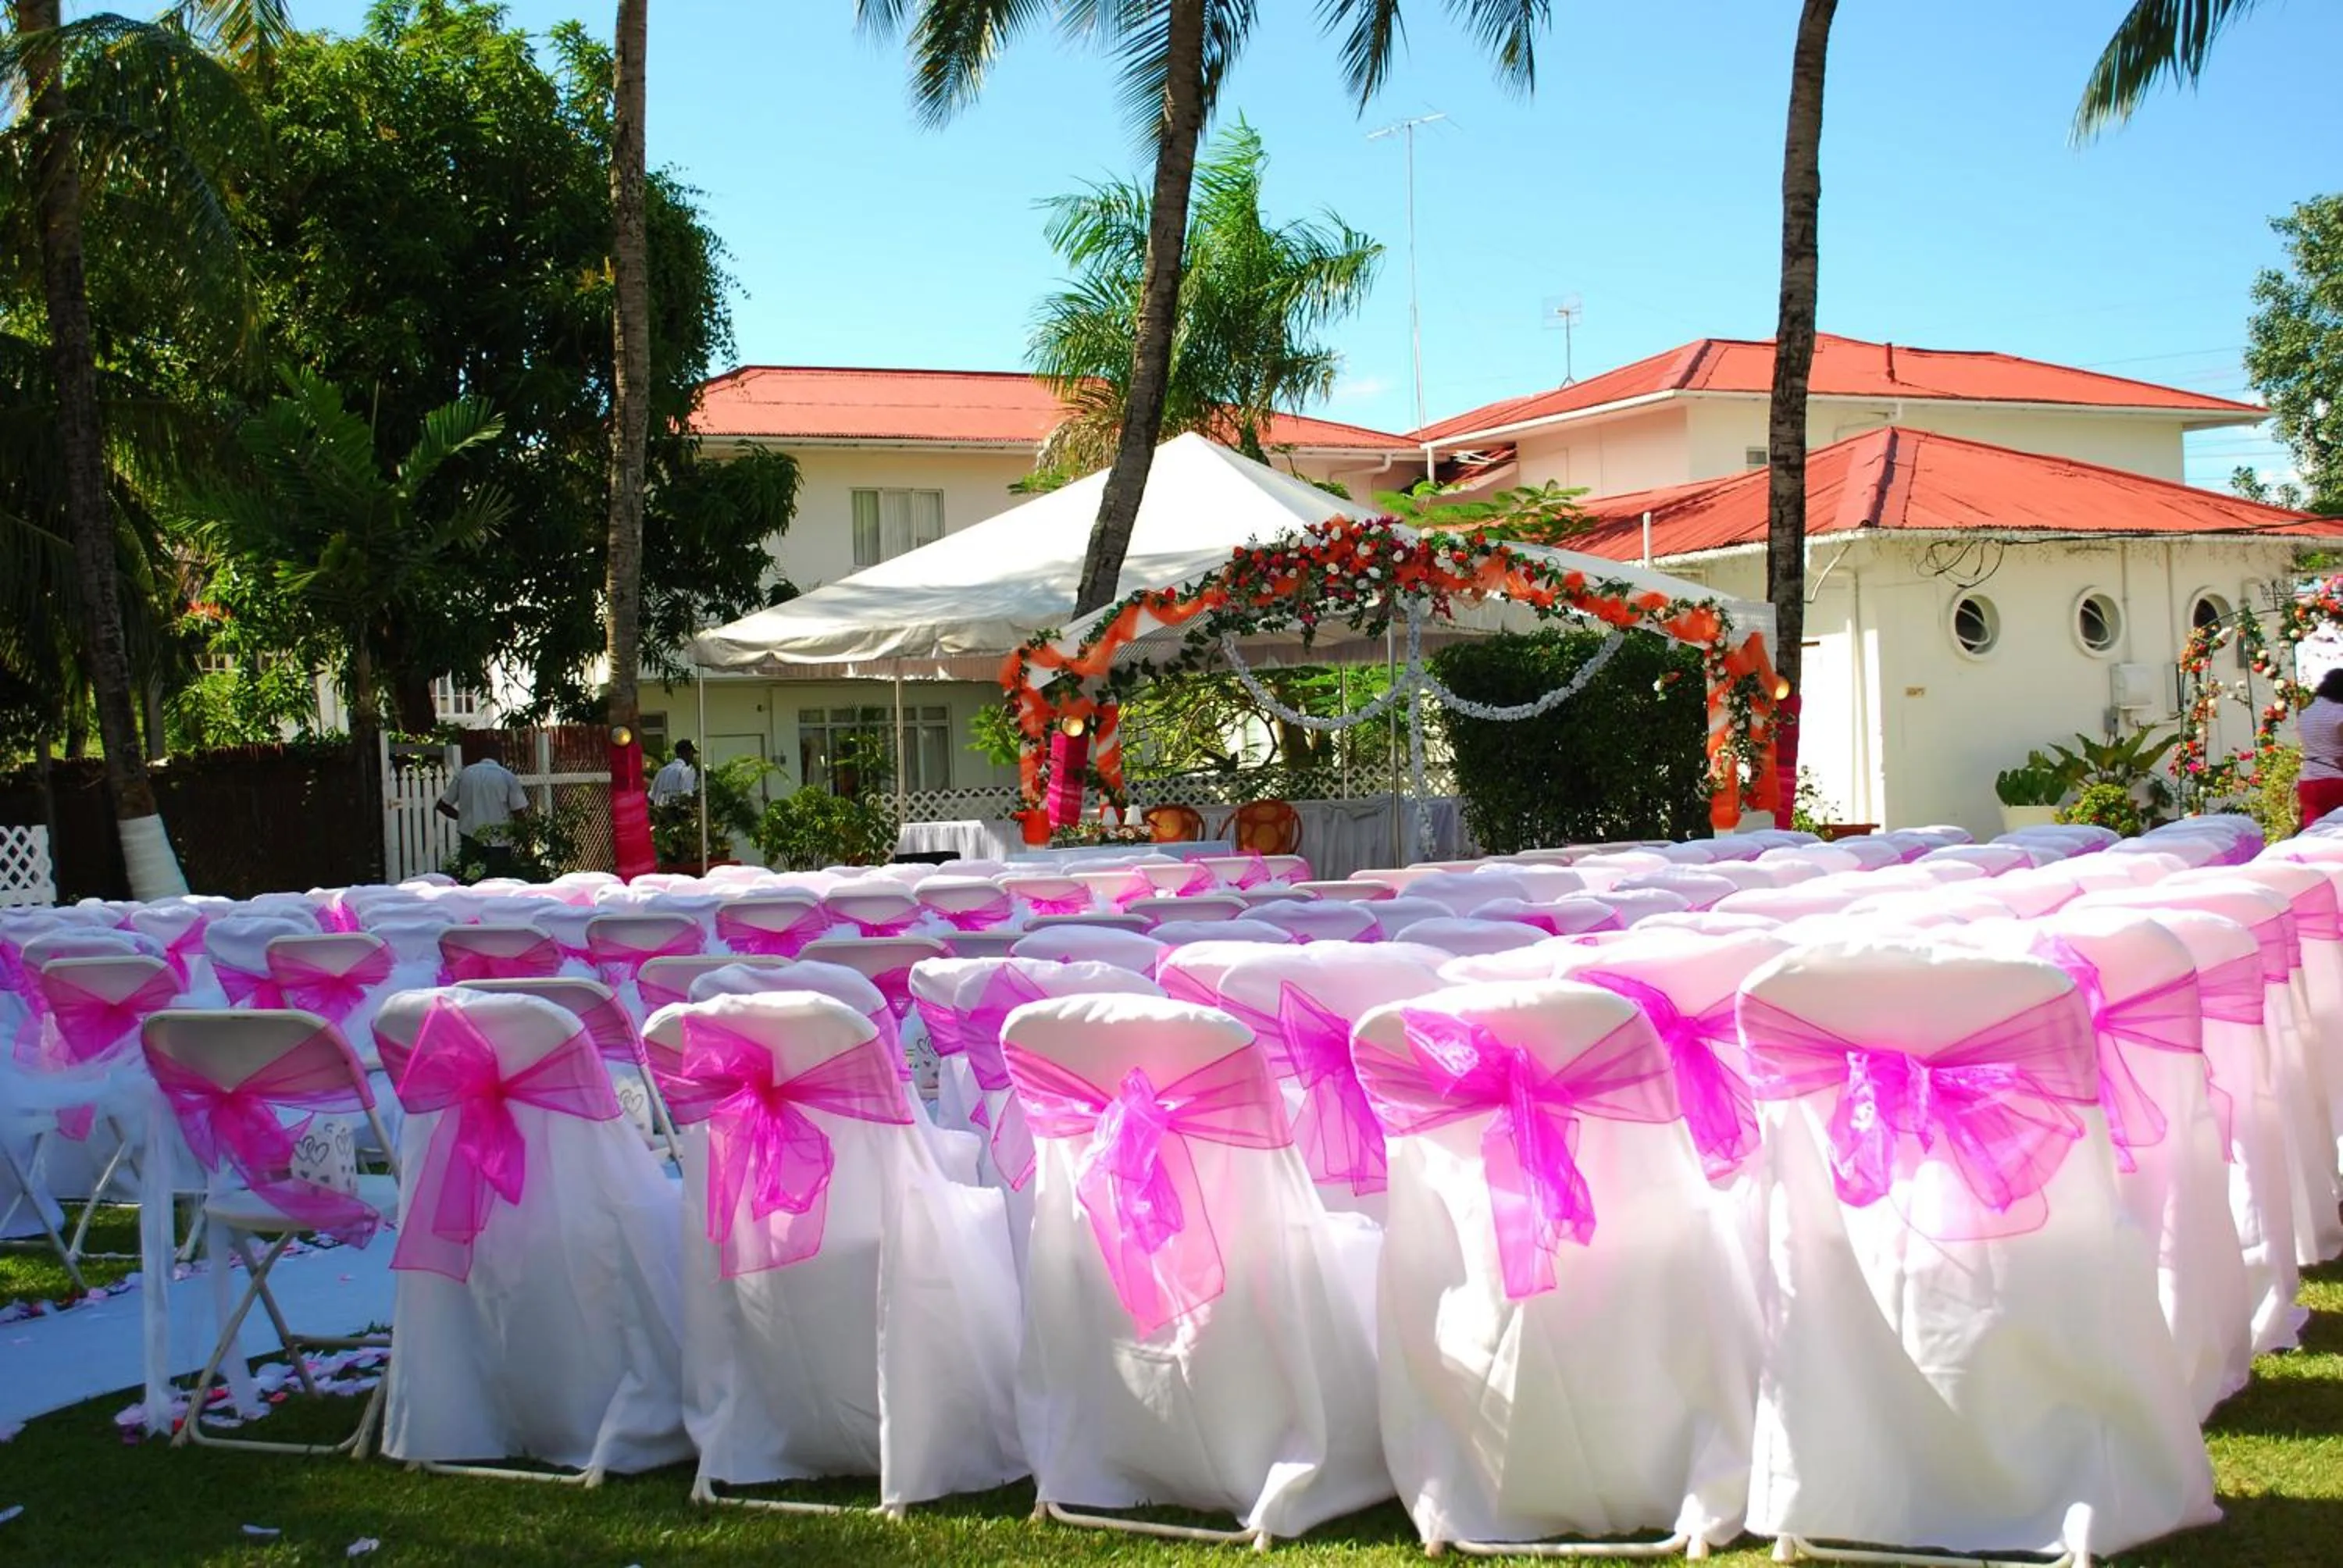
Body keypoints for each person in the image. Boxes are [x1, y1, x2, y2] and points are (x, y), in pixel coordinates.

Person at [435, 753, 530, 878]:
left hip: (470, 839)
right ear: (500, 760)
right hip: (499, 842)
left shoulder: (464, 774)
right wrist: (526, 845)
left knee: (470, 882)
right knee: (498, 884)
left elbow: (442, 805)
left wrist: (463, 817)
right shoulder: (507, 777)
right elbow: (518, 813)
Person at [2298, 668, 2343, 832]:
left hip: (2308, 782)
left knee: (2313, 832)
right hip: (2336, 781)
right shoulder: (2339, 712)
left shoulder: (2306, 713)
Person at [651, 739, 699, 807]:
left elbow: (652, 796)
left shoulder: (662, 771)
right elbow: (687, 795)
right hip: (678, 813)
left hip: (660, 813)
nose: (693, 757)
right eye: (692, 754)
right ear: (688, 753)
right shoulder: (687, 770)